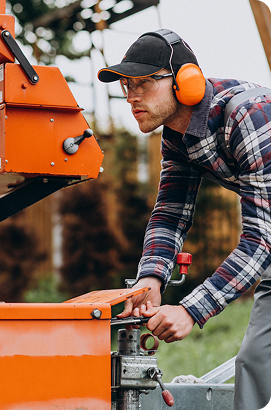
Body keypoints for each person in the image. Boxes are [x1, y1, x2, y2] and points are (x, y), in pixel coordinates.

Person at [98, 29, 271, 410]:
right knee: (256, 365)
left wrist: (192, 310)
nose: (131, 96)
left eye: (144, 82)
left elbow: (261, 240)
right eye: (127, 84)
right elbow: (171, 214)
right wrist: (151, 277)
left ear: (185, 81)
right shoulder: (177, 137)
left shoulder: (249, 114)